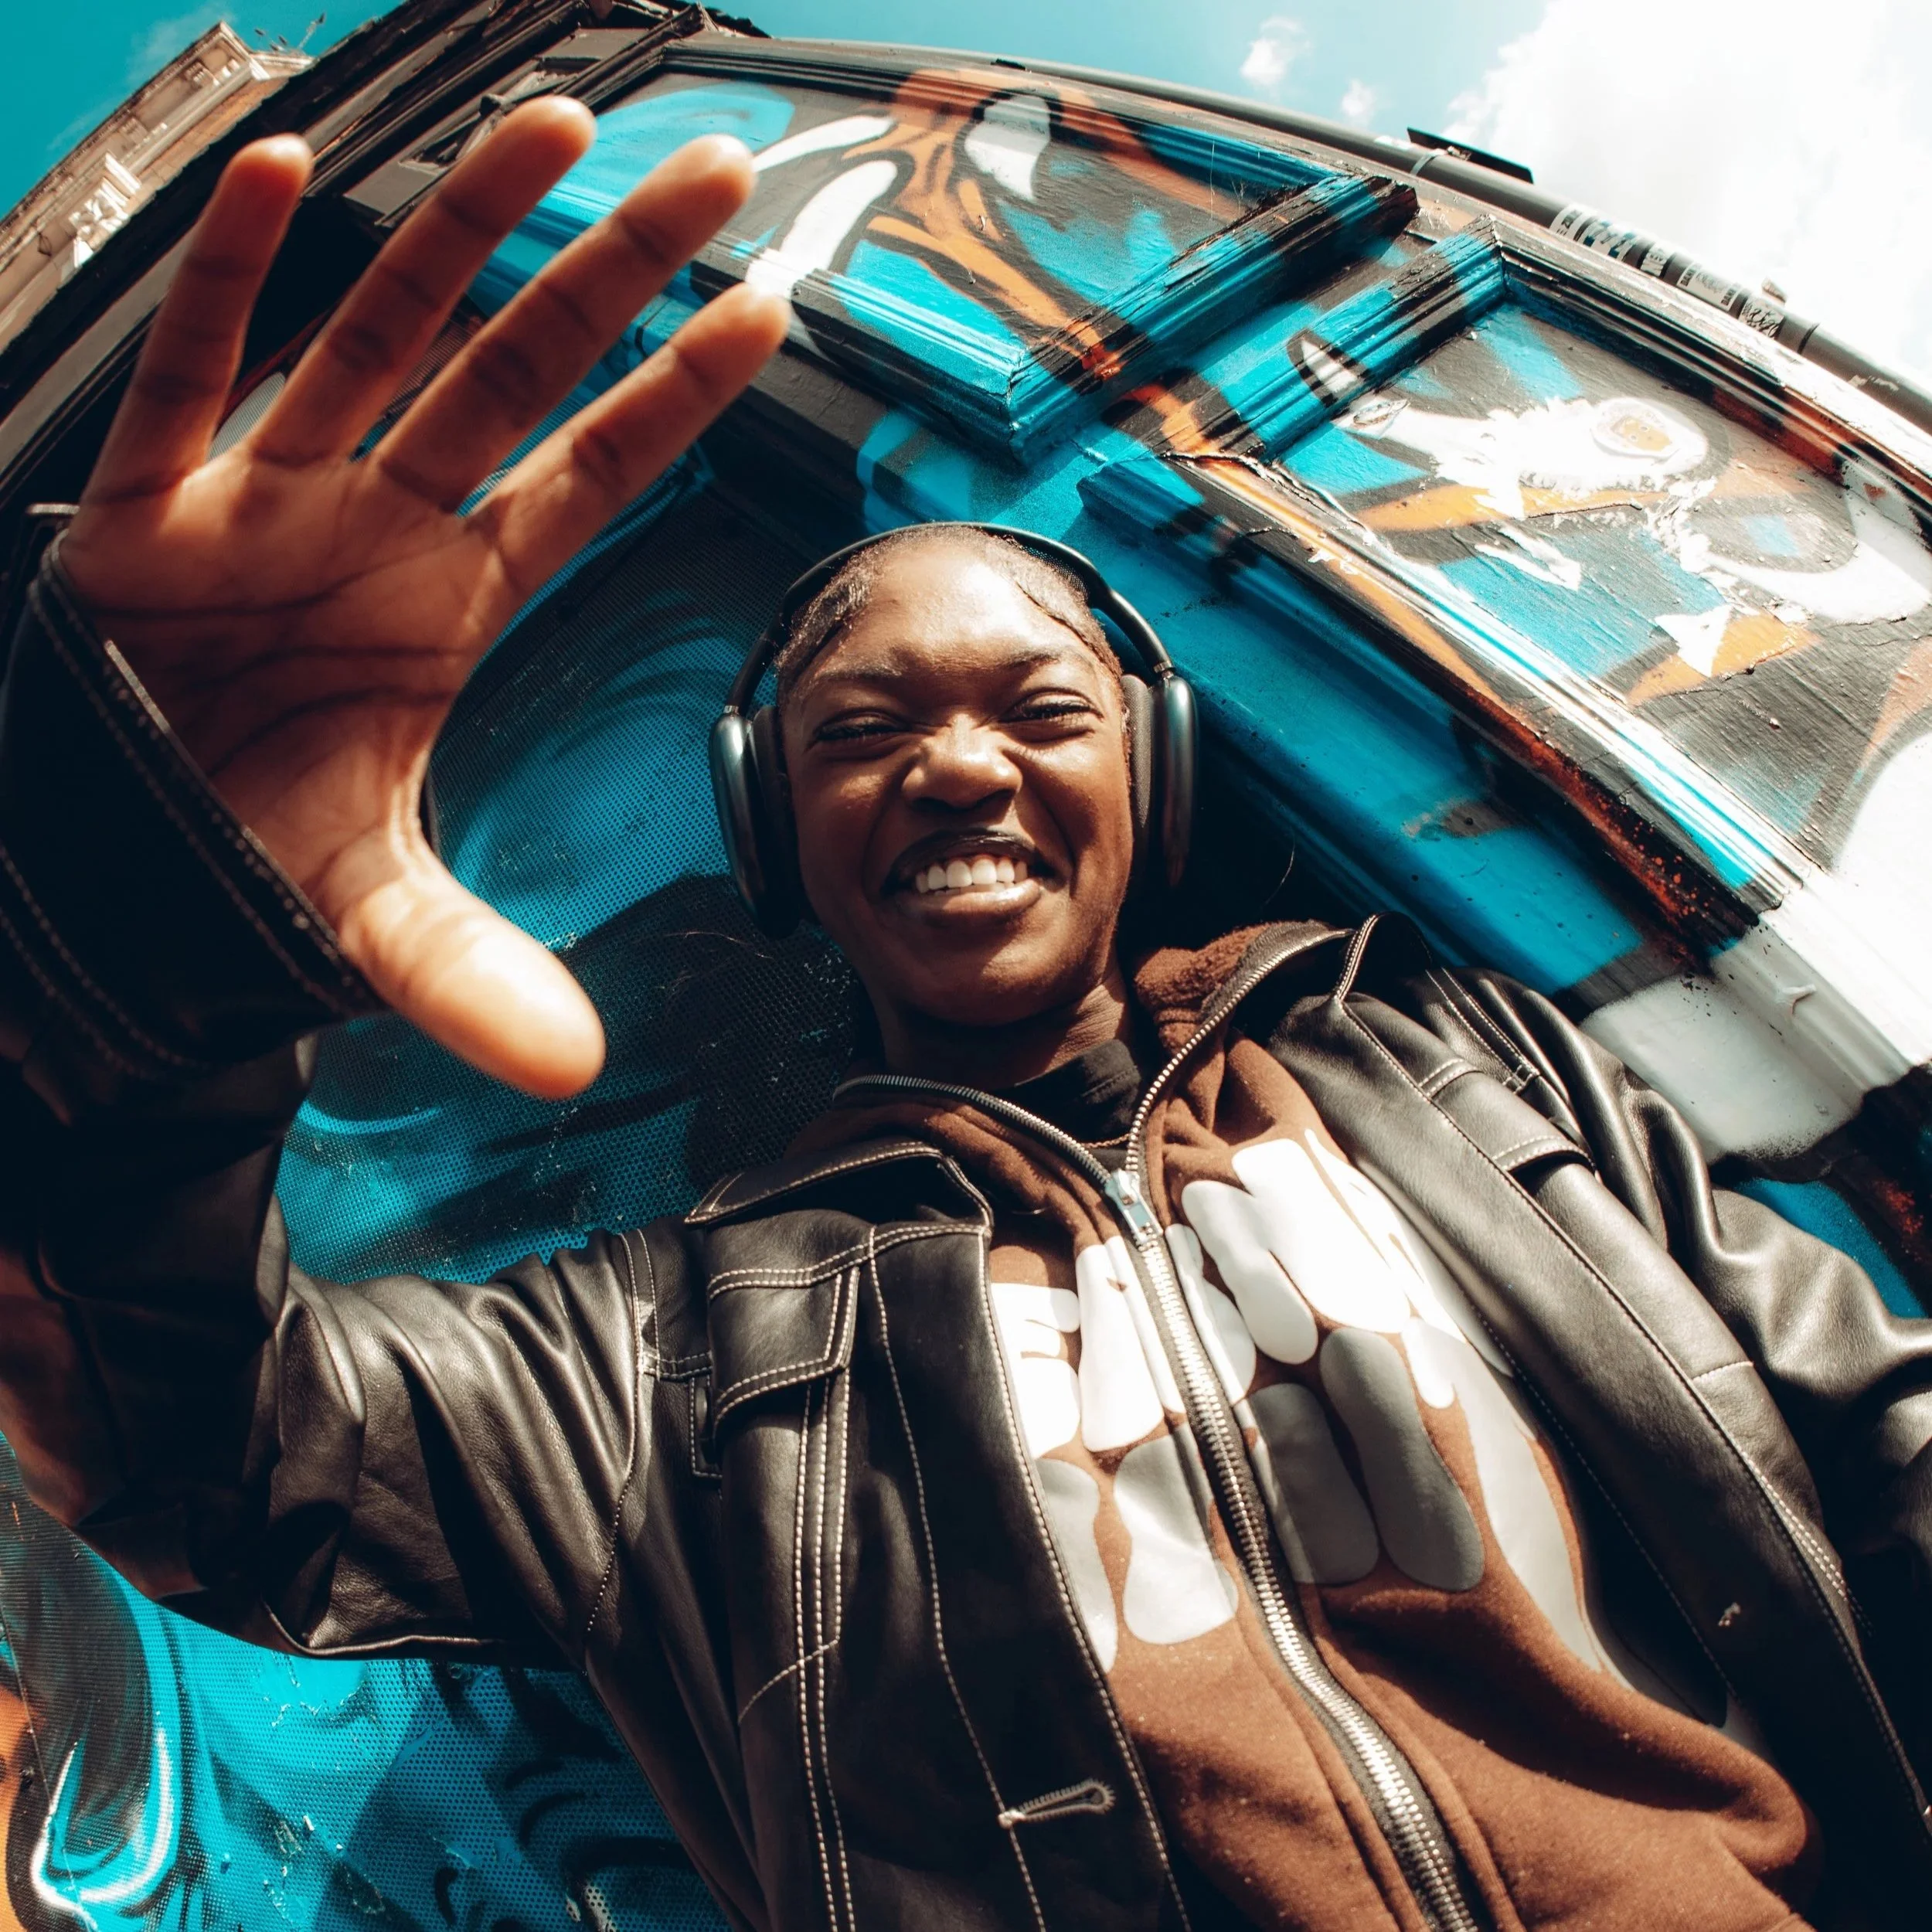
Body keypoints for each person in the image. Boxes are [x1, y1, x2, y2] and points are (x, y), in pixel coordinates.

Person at [1, 102, 1929, 1932]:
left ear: (1151, 778)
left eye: (1038, 708)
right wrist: (155, 895)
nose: (953, 767)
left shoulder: (1467, 1073)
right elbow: (212, 1461)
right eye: (862, 729)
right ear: (777, 827)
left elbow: (1883, 1435)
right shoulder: (658, 1358)